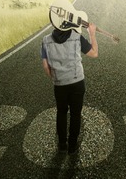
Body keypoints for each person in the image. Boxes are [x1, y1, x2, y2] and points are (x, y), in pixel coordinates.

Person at [41, 22, 98, 154]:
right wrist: (92, 34)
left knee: (61, 112)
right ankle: (72, 146)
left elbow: (45, 66)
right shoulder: (77, 36)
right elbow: (94, 53)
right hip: (77, 82)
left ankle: (62, 145)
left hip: (59, 84)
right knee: (75, 114)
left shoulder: (45, 40)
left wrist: (56, 78)